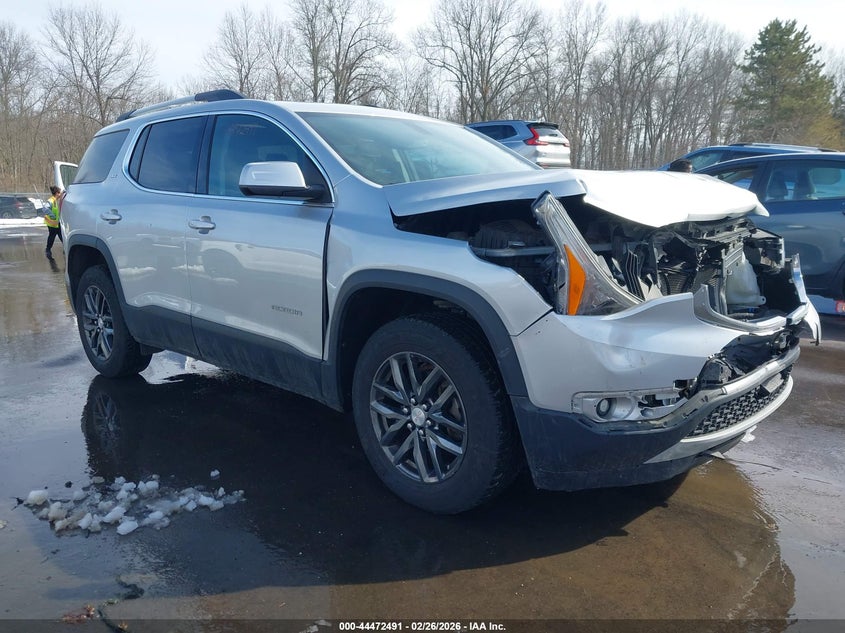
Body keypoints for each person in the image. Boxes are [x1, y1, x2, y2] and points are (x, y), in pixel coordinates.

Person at [44, 185, 63, 259]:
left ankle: (65, 248)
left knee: (61, 235)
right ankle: (48, 249)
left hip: (55, 223)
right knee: (52, 236)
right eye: (59, 193)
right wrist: (52, 216)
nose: (60, 194)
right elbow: (45, 209)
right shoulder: (51, 200)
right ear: (57, 193)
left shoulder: (55, 200)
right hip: (51, 223)